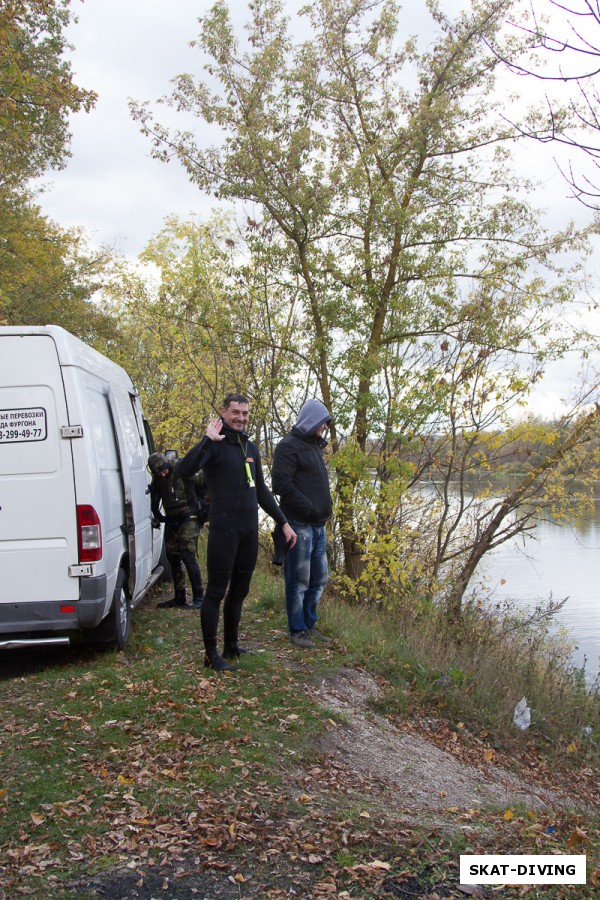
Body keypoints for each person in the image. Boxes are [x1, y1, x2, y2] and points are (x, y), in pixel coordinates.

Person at [178, 393, 297, 671]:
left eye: (244, 413)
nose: (241, 418)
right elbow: (184, 469)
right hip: (223, 531)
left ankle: (231, 646)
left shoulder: (251, 448)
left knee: (240, 590)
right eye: (235, 412)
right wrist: (207, 439)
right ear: (223, 412)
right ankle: (211, 655)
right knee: (216, 593)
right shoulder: (214, 446)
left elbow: (262, 492)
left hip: (248, 532)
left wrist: (284, 522)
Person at [271, 399, 332, 648]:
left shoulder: (314, 446)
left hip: (319, 525)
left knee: (319, 580)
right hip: (299, 524)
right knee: (299, 581)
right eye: (322, 422)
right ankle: (297, 630)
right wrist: (307, 505)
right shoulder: (288, 446)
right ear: (311, 421)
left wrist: (322, 508)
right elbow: (280, 485)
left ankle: (309, 625)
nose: (325, 427)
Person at [148, 451, 209, 610]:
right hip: (172, 518)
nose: (163, 474)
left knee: (188, 554)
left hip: (190, 515)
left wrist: (206, 509)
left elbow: (205, 481)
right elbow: (155, 497)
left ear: (167, 465)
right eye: (159, 473)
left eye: (164, 470)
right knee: (172, 556)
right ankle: (179, 596)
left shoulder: (182, 468)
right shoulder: (158, 478)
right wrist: (157, 516)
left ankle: (199, 597)